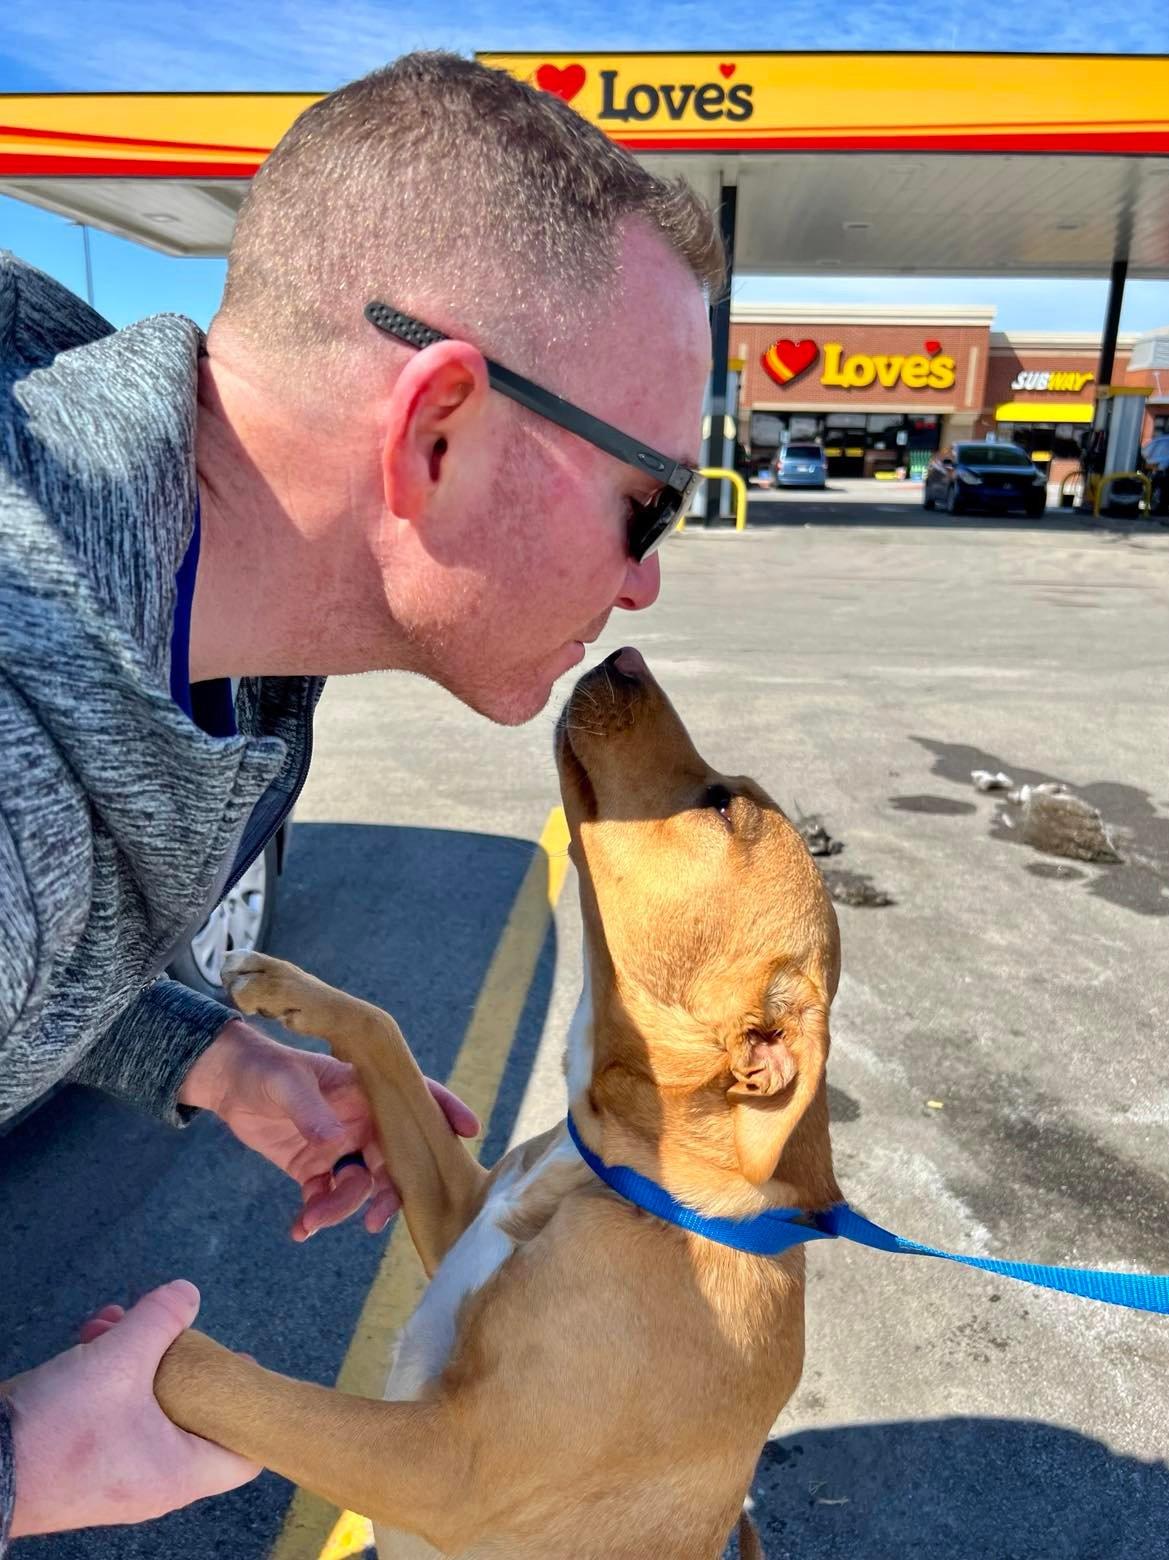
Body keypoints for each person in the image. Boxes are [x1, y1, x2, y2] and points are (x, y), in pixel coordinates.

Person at [0, 50, 721, 1547]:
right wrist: (24, 1467)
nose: (646, 575)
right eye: (647, 497)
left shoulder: (218, 654)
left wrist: (201, 1056)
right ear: (437, 428)